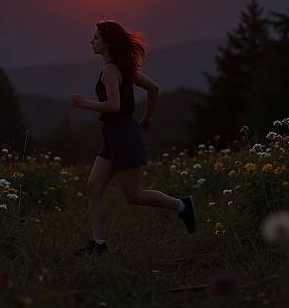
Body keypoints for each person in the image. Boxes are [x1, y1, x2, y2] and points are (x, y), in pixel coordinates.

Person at [70, 19, 196, 257]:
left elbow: (115, 105)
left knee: (134, 196)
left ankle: (182, 205)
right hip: (115, 133)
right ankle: (99, 245)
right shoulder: (123, 67)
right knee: (94, 186)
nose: (91, 41)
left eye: (96, 37)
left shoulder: (110, 70)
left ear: (107, 43)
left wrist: (85, 103)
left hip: (122, 134)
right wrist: (147, 117)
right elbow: (154, 88)